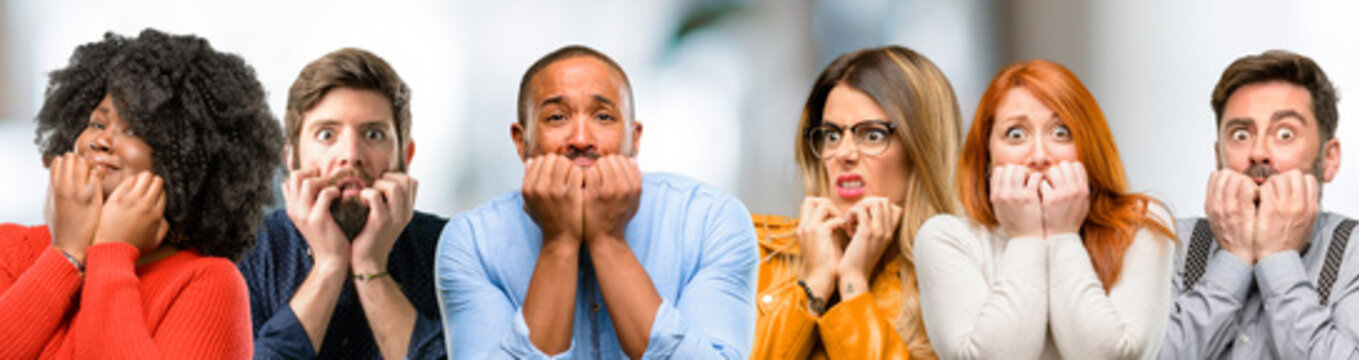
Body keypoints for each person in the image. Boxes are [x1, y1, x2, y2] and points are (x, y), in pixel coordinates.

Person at [0, 29, 280, 360]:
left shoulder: (206, 282)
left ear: (189, 158)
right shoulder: (3, 249)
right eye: (97, 122)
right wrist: (67, 255)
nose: (101, 140)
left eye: (135, 130)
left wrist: (110, 254)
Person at [435, 45, 757, 360]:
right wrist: (558, 242)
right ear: (522, 142)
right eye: (557, 117)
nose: (580, 139)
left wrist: (608, 239)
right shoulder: (471, 242)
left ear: (635, 139)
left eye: (603, 117)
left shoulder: (711, 221)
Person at [1158, 50, 1359, 359]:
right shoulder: (1168, 244)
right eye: (1240, 135)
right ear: (1218, 157)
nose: (1259, 153)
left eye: (1285, 133)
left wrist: (1278, 258)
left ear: (1329, 159)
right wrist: (1233, 259)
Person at [915, 59, 1174, 359]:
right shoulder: (948, 238)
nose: (1039, 155)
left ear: (1090, 147)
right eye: (1016, 134)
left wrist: (1064, 235)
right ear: (987, 157)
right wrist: (1026, 238)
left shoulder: (1141, 226)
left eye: (1061, 132)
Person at [752, 45, 962, 359]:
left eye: (873, 135)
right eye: (832, 135)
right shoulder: (755, 250)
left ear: (921, 152)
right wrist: (816, 281)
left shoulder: (956, 278)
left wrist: (853, 286)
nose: (844, 153)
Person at [239, 47, 446, 360]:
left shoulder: (450, 248)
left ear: (405, 157)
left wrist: (369, 265)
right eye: (326, 134)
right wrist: (329, 266)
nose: (351, 154)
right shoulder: (246, 253)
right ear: (291, 159)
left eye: (373, 134)